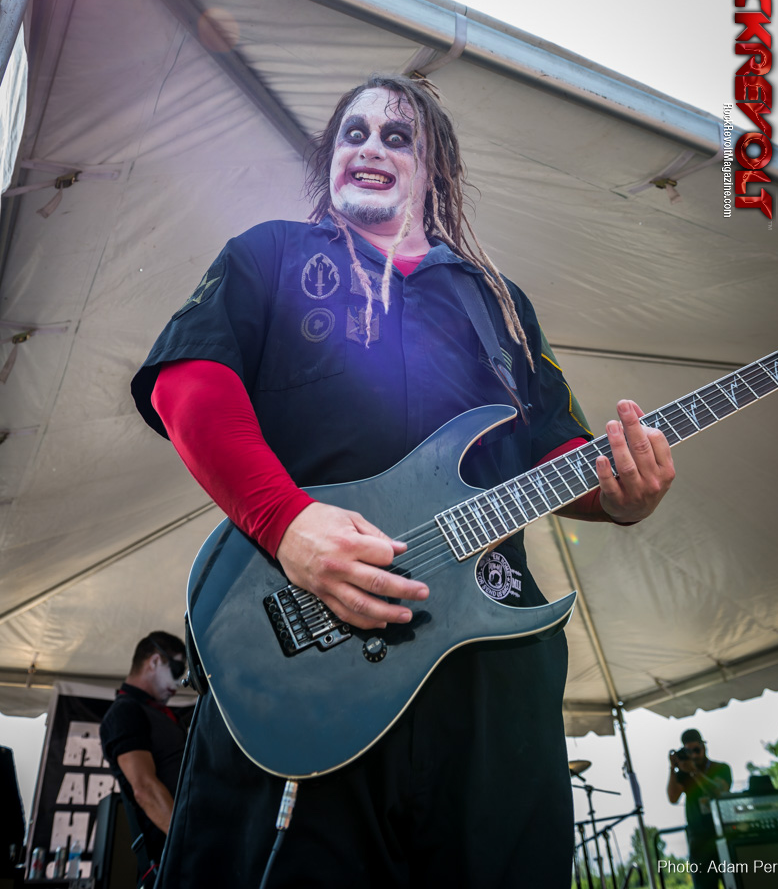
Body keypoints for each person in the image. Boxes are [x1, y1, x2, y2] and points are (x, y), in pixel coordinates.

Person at [131, 75, 675, 888]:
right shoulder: (271, 253)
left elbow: (556, 452)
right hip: (307, 665)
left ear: (434, 169)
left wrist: (621, 493)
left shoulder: (500, 304)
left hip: (488, 672)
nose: (370, 148)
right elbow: (189, 383)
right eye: (353, 133)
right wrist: (288, 524)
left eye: (397, 137)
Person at [100, 632, 188, 882]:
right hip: (176, 863)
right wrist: (191, 844)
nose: (177, 684)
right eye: (176, 670)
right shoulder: (125, 712)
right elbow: (144, 789)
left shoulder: (160, 714)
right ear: (155, 661)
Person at [668, 728, 732, 888]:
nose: (694, 755)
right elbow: (673, 798)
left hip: (724, 834)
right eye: (689, 751)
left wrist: (695, 773)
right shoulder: (683, 774)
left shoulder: (721, 768)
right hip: (698, 840)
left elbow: (718, 792)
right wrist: (673, 768)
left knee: (735, 882)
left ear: (704, 747)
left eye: (697, 750)